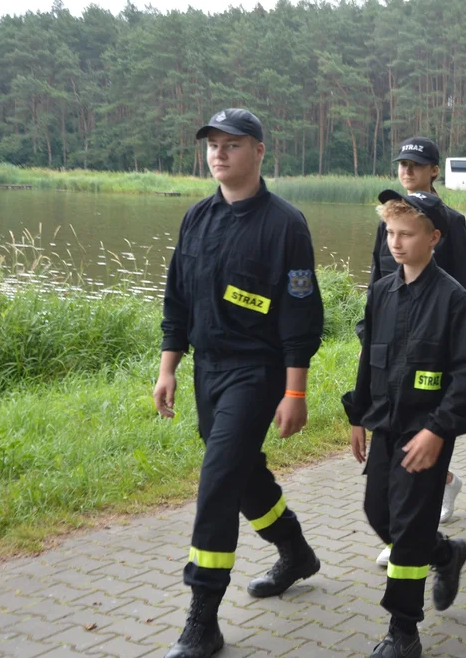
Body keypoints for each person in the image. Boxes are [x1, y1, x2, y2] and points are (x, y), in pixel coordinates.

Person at [155, 109, 324, 658]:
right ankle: (295, 552)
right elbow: (177, 298)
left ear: (259, 152)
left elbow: (301, 315)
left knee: (218, 481)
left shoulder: (285, 225)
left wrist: (294, 391)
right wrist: (168, 367)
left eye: (232, 144)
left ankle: (202, 619)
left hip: (258, 371)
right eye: (212, 145)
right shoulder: (196, 219)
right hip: (209, 369)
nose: (219, 153)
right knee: (244, 473)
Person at [344, 190, 466, 658]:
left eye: (406, 234)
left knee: (406, 527)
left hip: (427, 431)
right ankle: (444, 553)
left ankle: (404, 630)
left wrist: (438, 430)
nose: (394, 243)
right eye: (389, 233)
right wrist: (357, 416)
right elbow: (369, 363)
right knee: (378, 515)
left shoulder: (454, 300)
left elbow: (464, 381)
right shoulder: (381, 292)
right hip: (385, 425)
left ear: (434, 237)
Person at [366, 138, 466, 561]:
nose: (406, 171)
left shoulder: (451, 220)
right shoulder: (391, 216)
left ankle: (412, 536)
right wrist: (371, 331)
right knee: (393, 459)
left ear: (434, 170)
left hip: (435, 339)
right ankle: (423, 526)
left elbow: (465, 279)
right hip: (392, 333)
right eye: (401, 164)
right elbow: (378, 272)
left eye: (415, 165)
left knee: (421, 446)